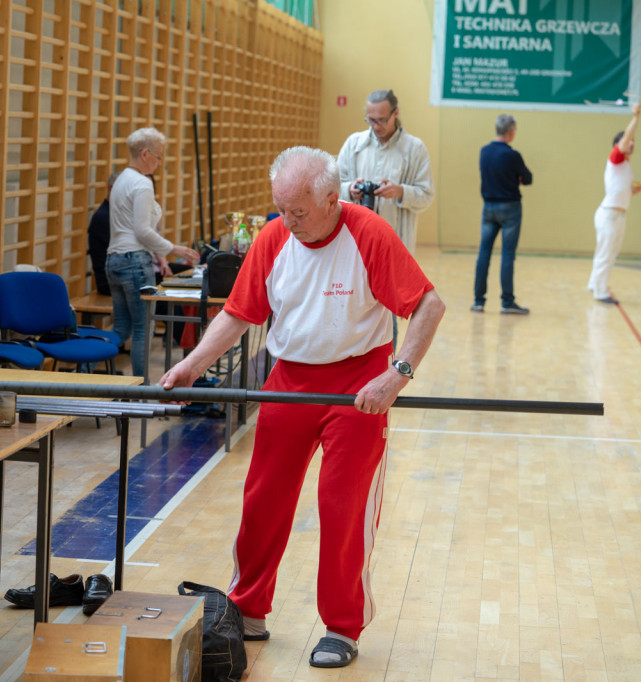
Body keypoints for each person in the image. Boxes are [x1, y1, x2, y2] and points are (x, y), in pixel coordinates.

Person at [159, 147, 445, 669]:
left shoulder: (368, 235)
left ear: (332, 200)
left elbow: (429, 304)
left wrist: (396, 376)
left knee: (343, 505)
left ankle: (342, 626)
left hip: (359, 383)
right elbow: (239, 312)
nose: (288, 222)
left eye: (299, 212)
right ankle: (247, 610)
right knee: (263, 497)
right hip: (288, 380)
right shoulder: (274, 237)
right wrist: (192, 367)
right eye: (281, 209)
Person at [107, 127, 200, 377]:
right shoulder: (142, 184)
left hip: (113, 260)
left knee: (122, 329)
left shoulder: (121, 179)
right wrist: (174, 249)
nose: (160, 163)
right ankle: (141, 387)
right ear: (145, 153)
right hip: (134, 261)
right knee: (142, 329)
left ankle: (104, 378)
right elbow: (142, 231)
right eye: (159, 156)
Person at [337, 89, 434, 253]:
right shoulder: (353, 144)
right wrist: (349, 189)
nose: (376, 126)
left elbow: (426, 196)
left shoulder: (415, 149)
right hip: (356, 239)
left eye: (382, 120)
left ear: (395, 113)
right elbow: (332, 188)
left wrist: (400, 191)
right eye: (371, 120)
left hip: (397, 242)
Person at [472, 114, 533, 314]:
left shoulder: (484, 152)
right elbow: (528, 178)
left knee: (484, 253)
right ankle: (507, 302)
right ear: (511, 132)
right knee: (507, 255)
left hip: (488, 207)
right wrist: (516, 178)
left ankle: (479, 301)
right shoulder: (512, 155)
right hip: (510, 209)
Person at [588, 103, 641, 304]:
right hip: (609, 215)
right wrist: (636, 117)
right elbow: (625, 139)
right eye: (628, 141)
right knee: (606, 254)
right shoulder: (615, 158)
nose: (631, 143)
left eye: (633, 142)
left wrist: (634, 189)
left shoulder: (626, 165)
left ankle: (594, 283)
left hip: (618, 215)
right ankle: (600, 292)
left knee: (607, 252)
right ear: (617, 145)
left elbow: (624, 188)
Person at [87, 171, 119, 296]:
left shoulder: (114, 213)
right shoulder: (103, 217)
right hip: (109, 281)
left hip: (119, 275)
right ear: (110, 189)